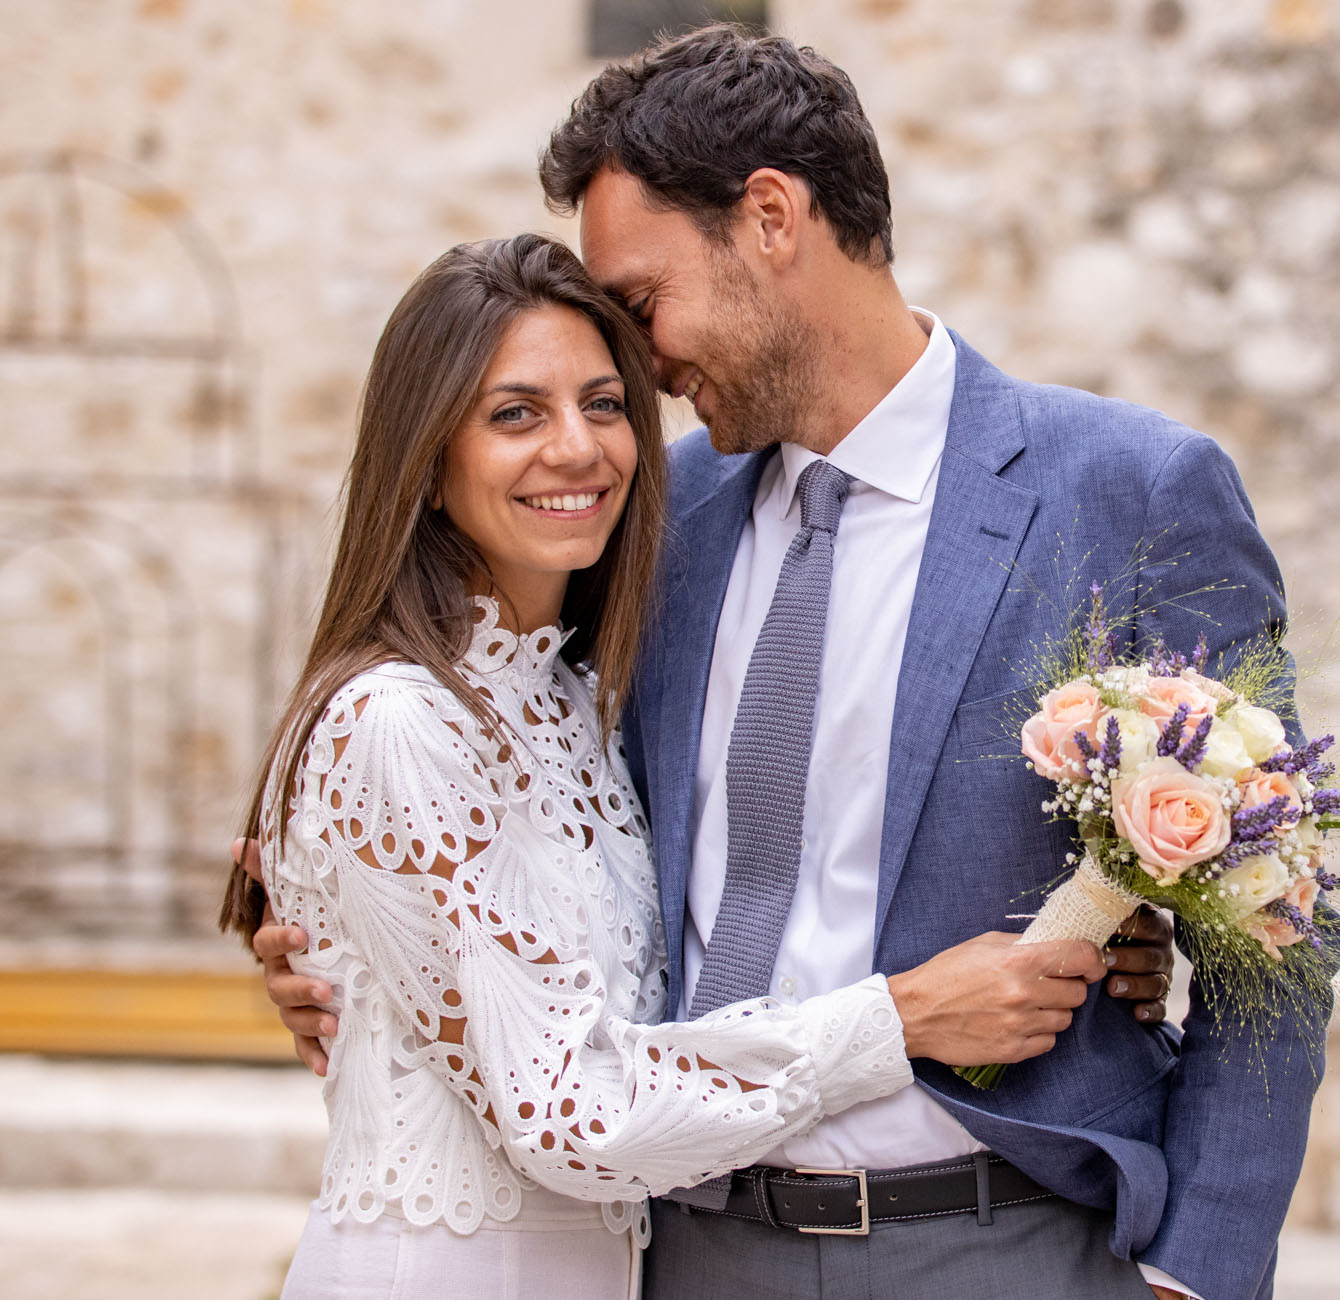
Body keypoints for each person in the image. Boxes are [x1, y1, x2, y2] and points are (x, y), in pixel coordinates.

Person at [258, 23, 1327, 1300]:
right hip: (684, 1248)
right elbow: (452, 728)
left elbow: (1281, 919)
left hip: (1009, 1243)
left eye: (642, 303)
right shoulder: (654, 516)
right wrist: (330, 938)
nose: (637, 369)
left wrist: (1198, 1269)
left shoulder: (1129, 492)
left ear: (770, 217)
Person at [220, 233, 1114, 1300]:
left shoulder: (574, 695)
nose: (577, 448)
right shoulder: (395, 720)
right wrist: (902, 1016)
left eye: (605, 404)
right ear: (426, 460)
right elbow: (567, 1106)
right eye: (516, 413)